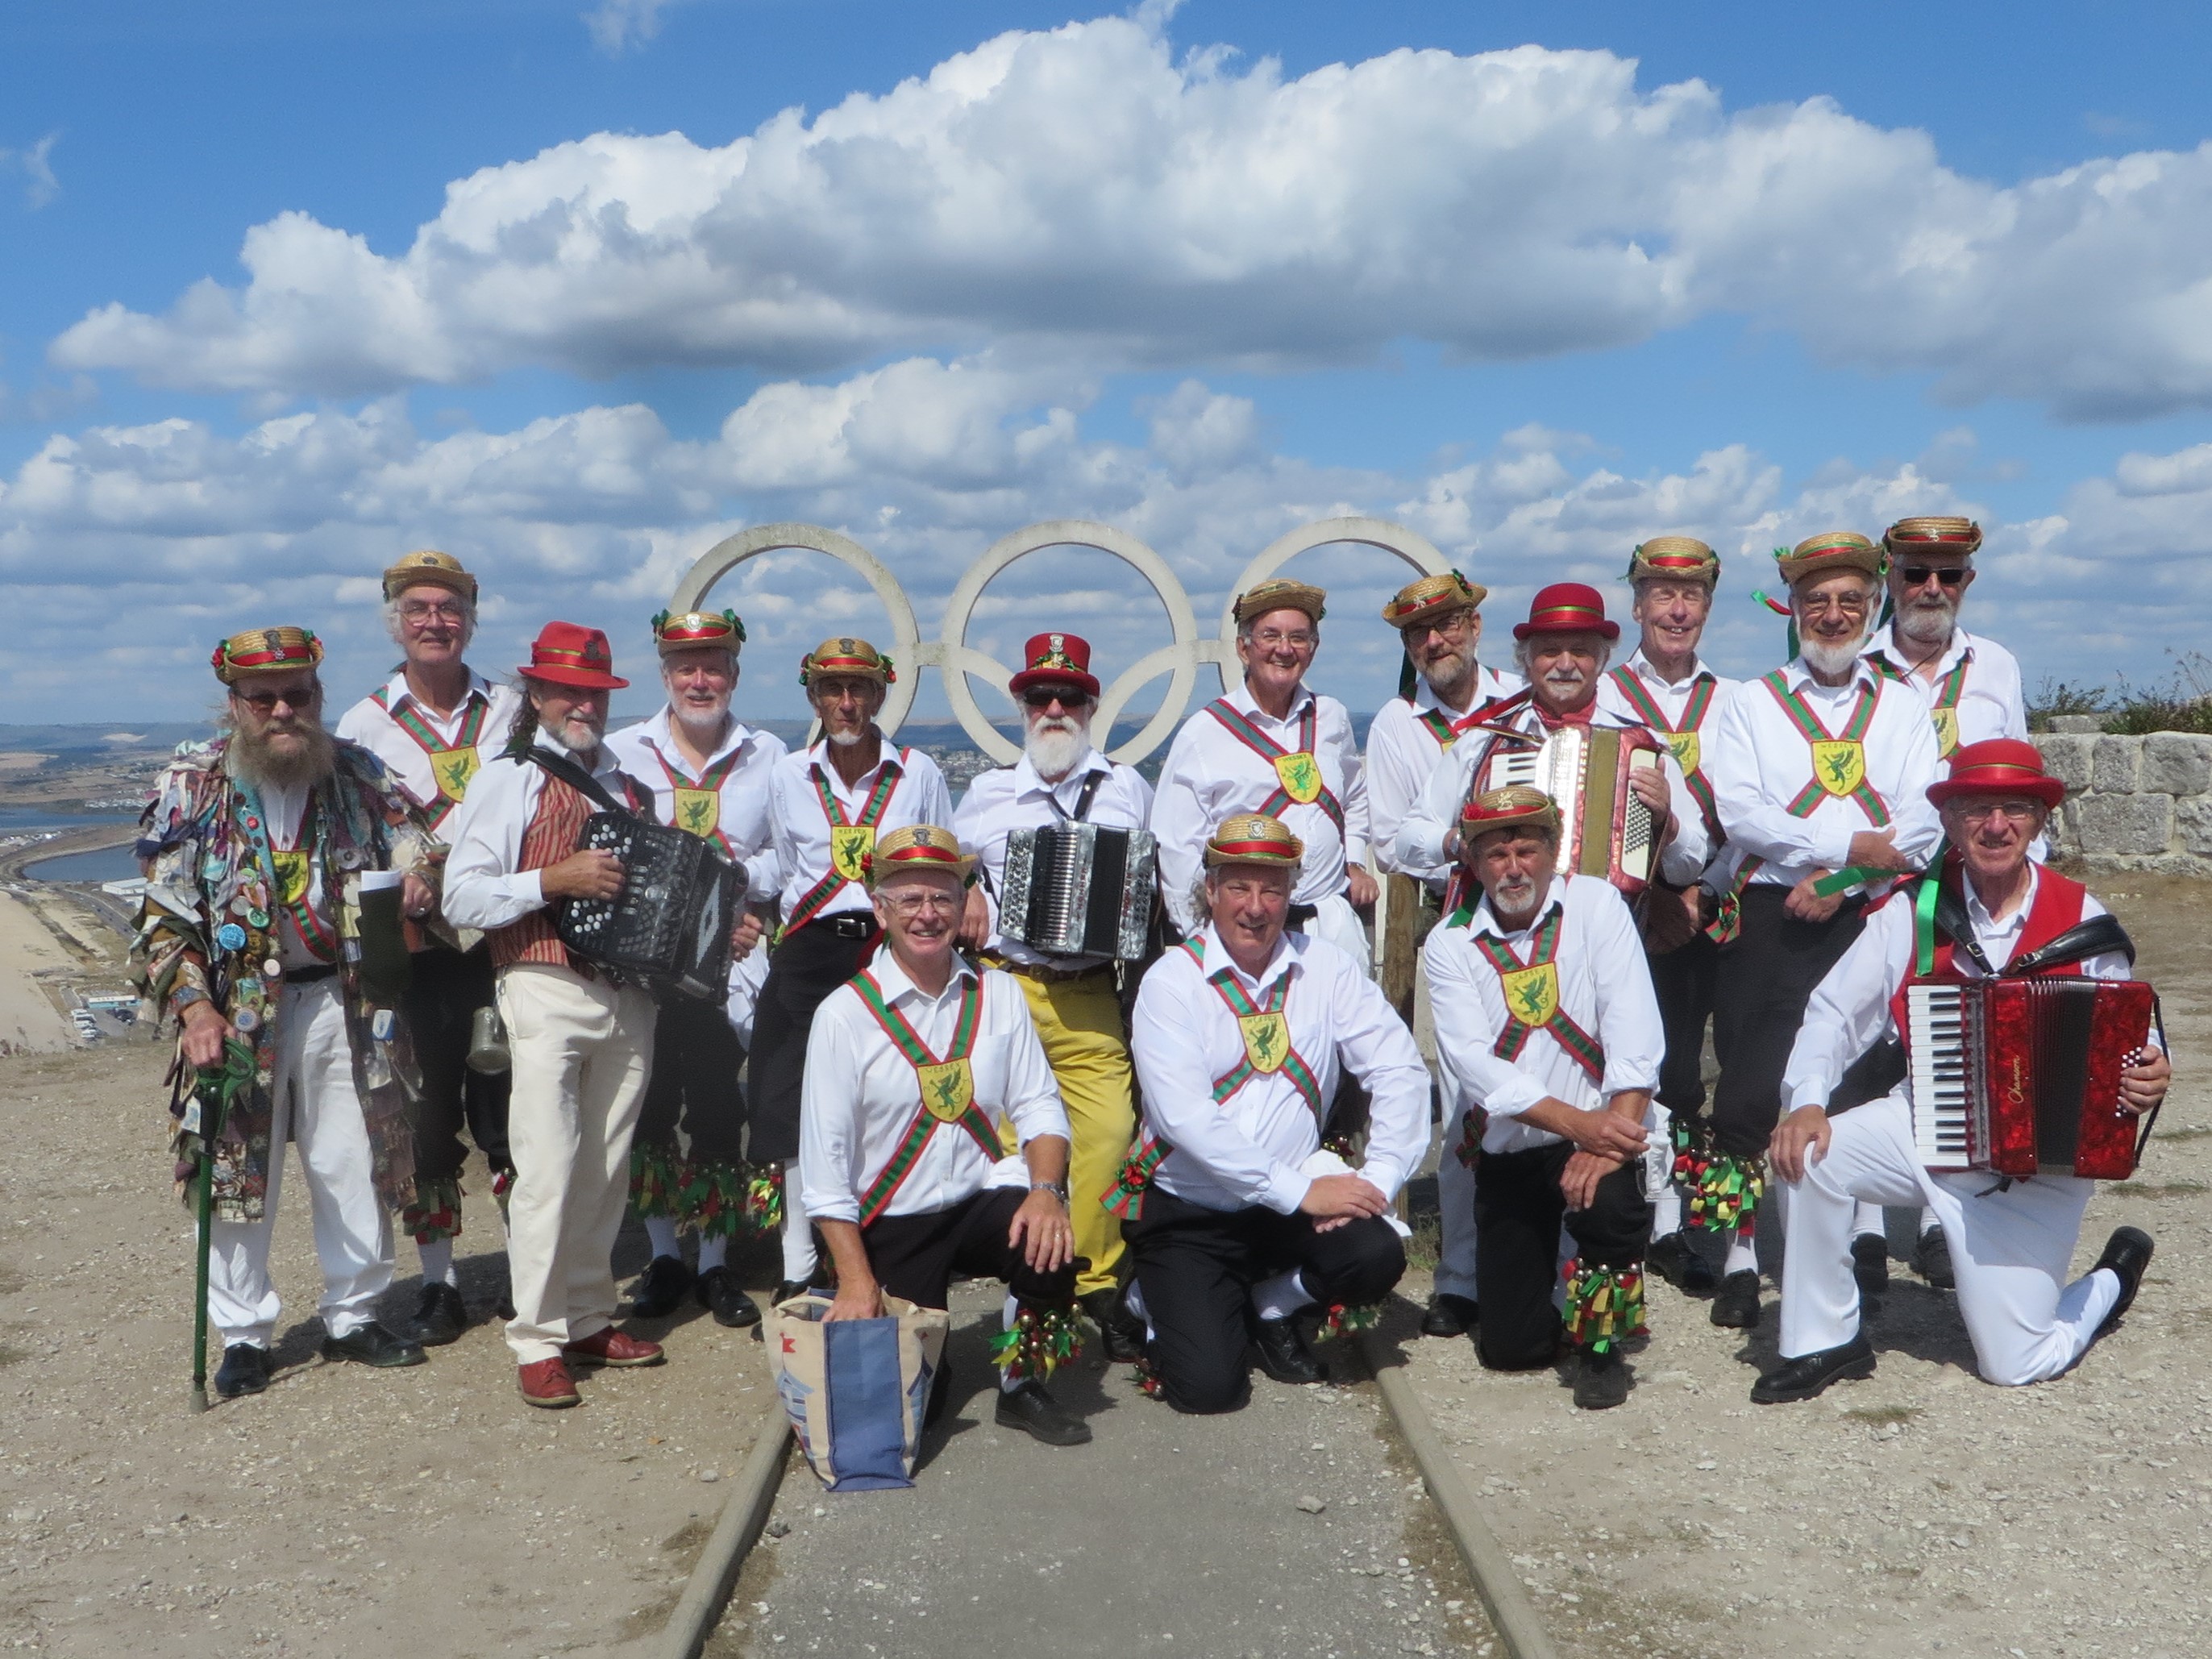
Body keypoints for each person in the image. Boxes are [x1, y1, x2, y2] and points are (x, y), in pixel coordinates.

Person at [1754, 741, 2167, 1401]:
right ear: (1950, 823)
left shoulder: (2084, 919)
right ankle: (1825, 1340)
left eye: (2012, 810)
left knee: (2016, 1364)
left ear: (2036, 822)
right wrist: (1807, 1099)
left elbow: (2134, 1038)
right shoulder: (1914, 911)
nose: (1995, 825)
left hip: (2037, 1172)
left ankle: (2111, 1280)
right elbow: (1833, 1012)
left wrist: (2147, 1074)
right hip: (1925, 1121)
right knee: (1809, 1155)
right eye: (1977, 809)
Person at [135, 626, 435, 1398]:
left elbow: (417, 845)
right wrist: (195, 1008)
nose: (281, 710)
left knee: (354, 1159)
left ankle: (355, 1313)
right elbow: (166, 915)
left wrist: (417, 874)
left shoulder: (359, 773)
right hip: (235, 1012)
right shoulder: (192, 784)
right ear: (233, 703)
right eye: (263, 697)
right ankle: (243, 1335)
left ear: (317, 697)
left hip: (345, 996)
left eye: (297, 695)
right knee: (235, 1168)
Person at [1698, 533, 1944, 1330]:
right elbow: (1740, 811)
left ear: (1871, 609)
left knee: (1860, 1077)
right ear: (1793, 610)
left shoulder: (1903, 707)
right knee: (1744, 1082)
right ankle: (1739, 1252)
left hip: (1867, 911)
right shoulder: (1752, 702)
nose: (1832, 615)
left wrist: (1843, 879)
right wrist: (1841, 849)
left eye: (1848, 602)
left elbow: (1920, 819)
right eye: (1816, 602)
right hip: (1772, 914)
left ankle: (1851, 1246)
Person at [1120, 813, 1428, 1415]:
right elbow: (1185, 1119)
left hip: (1286, 1202)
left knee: (1376, 1254)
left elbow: (1399, 1069)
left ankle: (1274, 1302)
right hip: (1193, 1210)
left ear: (1292, 894)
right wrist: (1298, 1192)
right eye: (1239, 886)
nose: (1255, 907)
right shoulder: (1172, 982)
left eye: (1272, 889)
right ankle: (1145, 1298)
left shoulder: (1327, 967)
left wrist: (1380, 1179)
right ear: (1210, 891)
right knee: (1209, 1391)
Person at [800, 825, 1091, 1447]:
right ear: (880, 909)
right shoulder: (843, 1016)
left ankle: (1020, 1384)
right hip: (893, 1221)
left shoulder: (1000, 993)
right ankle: (932, 1359)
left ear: (964, 906)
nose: (927, 915)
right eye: (909, 899)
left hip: (978, 1201)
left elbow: (1041, 1106)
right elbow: (824, 1172)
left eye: (942, 898)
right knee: (911, 1416)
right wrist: (856, 1280)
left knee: (1051, 1239)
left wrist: (1046, 1191)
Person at [443, 622, 666, 1407]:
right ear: (535, 695)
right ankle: (536, 1338)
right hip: (542, 985)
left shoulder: (632, 781)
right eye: (567, 689)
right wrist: (552, 879)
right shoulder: (506, 778)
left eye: (594, 693)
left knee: (606, 1169)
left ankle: (588, 1314)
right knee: (547, 1167)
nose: (583, 704)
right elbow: (462, 894)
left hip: (627, 994)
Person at [1423, 786, 1665, 1409]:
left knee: (1612, 1207)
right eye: (1496, 853)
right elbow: (1472, 1063)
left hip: (1606, 1131)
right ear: (1473, 865)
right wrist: (1576, 1124)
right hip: (1518, 1146)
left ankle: (1602, 1347)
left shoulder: (1596, 904)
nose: (1513, 867)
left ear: (1554, 851)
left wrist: (1607, 1139)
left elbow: (1634, 1027)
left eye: (1526, 849)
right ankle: (1555, 1302)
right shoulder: (1449, 944)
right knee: (1511, 1350)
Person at [335, 549, 522, 1346]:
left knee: (512, 1115)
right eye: (417, 609)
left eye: (449, 608)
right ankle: (441, 1285)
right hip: (417, 955)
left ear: (470, 620)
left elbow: (534, 807)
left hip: (503, 945)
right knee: (424, 1114)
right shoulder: (361, 724)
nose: (434, 622)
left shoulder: (512, 710)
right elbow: (349, 837)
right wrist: (392, 877)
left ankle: (527, 1271)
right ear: (394, 621)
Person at [953, 632, 1153, 1362]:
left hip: (1091, 989)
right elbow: (947, 875)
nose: (1056, 707)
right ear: (1021, 707)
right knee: (1012, 1143)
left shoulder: (1128, 788)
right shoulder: (985, 794)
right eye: (1041, 696)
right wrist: (970, 884)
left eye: (1071, 696)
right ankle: (1032, 1272)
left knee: (1107, 1134)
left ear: (1093, 705)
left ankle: (1095, 1276)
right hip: (1011, 987)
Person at [753, 638, 955, 1304]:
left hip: (884, 947)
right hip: (810, 948)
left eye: (861, 688)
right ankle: (795, 1268)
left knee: (879, 1097)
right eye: (833, 690)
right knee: (792, 1100)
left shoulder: (918, 772)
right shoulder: (788, 775)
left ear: (880, 694)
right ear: (813, 697)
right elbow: (783, 867)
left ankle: (876, 1258)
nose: (847, 703)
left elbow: (940, 862)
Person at [1859, 514, 2031, 1289]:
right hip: (1875, 885)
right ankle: (1862, 1224)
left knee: (1953, 1050)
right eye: (1916, 572)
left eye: (1949, 575)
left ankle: (1939, 1219)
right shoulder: (1852, 666)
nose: (1932, 588)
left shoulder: (1995, 665)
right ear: (1889, 578)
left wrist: (2027, 886)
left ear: (1969, 581)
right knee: (1865, 1045)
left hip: (1969, 890)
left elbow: (2021, 774)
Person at [605, 609, 783, 1328]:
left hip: (728, 958)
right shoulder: (623, 753)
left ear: (734, 675)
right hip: (645, 963)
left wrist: (743, 888)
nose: (700, 679)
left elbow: (792, 853)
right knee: (649, 1106)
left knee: (716, 1107)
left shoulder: (771, 756)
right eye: (686, 667)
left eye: (713, 665)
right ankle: (663, 1258)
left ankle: (713, 1264)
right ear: (666, 675)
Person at [1363, 570, 1522, 1342]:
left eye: (1450, 625)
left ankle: (1545, 1257)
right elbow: (1394, 839)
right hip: (1456, 924)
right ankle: (1460, 1275)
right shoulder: (1397, 724)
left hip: (1539, 924)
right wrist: (1460, 839)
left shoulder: (1521, 700)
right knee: (1463, 1101)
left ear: (1475, 627)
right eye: (1420, 634)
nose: (1437, 641)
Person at [1594, 538, 1740, 1299]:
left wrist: (1702, 893)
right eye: (1660, 593)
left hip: (1721, 906)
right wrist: (1657, 899)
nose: (1676, 608)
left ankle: (1719, 1217)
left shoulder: (1740, 700)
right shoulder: (1609, 698)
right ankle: (1662, 1221)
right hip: (1635, 920)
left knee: (1736, 1076)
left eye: (1691, 595)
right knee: (1660, 1072)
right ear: (1637, 604)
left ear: (1708, 607)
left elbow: (1748, 813)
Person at [1395, 582, 1708, 898]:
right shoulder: (1483, 744)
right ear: (1527, 661)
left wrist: (1666, 824)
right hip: (1509, 931)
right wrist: (1463, 843)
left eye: (1581, 652)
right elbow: (1408, 838)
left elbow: (1690, 865)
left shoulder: (1643, 746)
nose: (1565, 664)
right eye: (1550, 651)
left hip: (1607, 928)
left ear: (1600, 661)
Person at [1152, 578, 1375, 968]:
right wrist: (1202, 942)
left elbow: (1354, 795)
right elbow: (1177, 850)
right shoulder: (1203, 734)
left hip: (1330, 928)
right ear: (1243, 647)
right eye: (1270, 636)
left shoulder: (1332, 717)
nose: (1285, 649)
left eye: (1299, 638)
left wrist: (1354, 861)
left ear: (1314, 649)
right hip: (1246, 939)